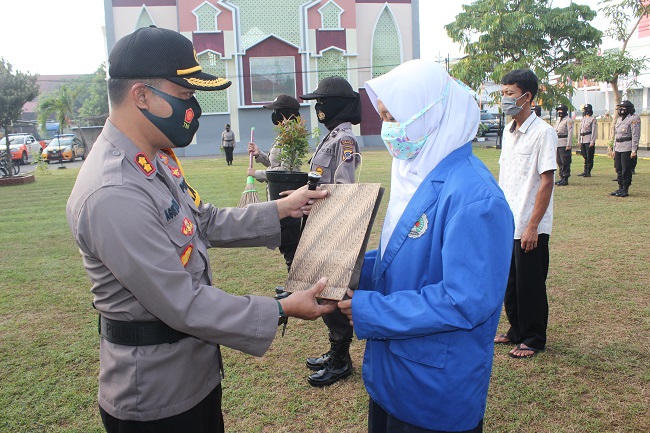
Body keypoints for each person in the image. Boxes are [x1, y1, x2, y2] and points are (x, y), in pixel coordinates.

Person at [65, 26, 335, 433]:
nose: (194, 110)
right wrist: (281, 308)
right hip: (156, 397)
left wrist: (282, 207)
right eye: (187, 96)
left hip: (193, 373)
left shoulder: (152, 159)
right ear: (142, 96)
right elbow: (182, 302)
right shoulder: (114, 191)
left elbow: (201, 221)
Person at [338, 59, 515, 433]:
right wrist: (347, 269)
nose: (389, 130)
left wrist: (369, 309)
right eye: (384, 117)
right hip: (394, 372)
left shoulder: (475, 197)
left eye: (395, 117)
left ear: (430, 115)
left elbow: (464, 299)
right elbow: (401, 254)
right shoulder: (414, 171)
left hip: (435, 386)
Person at [298, 76, 362, 387]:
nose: (318, 108)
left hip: (333, 225)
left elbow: (344, 188)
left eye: (321, 103)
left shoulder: (345, 141)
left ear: (335, 105)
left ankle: (341, 361)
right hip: (321, 221)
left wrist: (318, 200)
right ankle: (335, 350)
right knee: (324, 290)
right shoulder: (333, 137)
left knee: (333, 293)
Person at [493, 68, 557, 359]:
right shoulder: (509, 132)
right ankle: (516, 330)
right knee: (510, 283)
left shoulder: (543, 133)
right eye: (502, 93)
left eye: (509, 94)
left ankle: (533, 338)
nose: (504, 100)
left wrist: (533, 226)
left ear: (527, 96)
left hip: (530, 224)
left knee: (530, 284)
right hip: (507, 222)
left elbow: (546, 182)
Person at [247, 94, 303, 272]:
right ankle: (292, 283)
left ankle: (296, 287)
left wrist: (257, 174)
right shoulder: (284, 136)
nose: (274, 116)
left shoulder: (291, 139)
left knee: (290, 244)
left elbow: (285, 171)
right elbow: (274, 165)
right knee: (286, 244)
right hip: (277, 193)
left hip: (287, 194)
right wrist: (259, 154)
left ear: (286, 114)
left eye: (277, 112)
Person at [611, 100, 640, 197]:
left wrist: (633, 150)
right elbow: (616, 135)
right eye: (620, 108)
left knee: (626, 169)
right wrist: (614, 149)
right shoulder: (619, 119)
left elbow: (635, 135)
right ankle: (620, 187)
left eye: (622, 108)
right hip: (618, 147)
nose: (620, 110)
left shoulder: (633, 119)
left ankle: (625, 188)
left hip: (627, 147)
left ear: (628, 109)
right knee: (618, 168)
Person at [554, 104, 573, 186]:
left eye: (560, 110)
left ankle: (565, 178)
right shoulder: (558, 120)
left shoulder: (568, 120)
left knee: (565, 161)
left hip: (564, 143)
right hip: (558, 142)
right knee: (559, 161)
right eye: (558, 110)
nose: (559, 112)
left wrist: (568, 144)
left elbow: (570, 133)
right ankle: (561, 177)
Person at [578, 104, 597, 177]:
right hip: (583, 139)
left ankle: (588, 171)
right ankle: (585, 170)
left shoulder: (593, 119)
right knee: (584, 155)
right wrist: (579, 140)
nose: (584, 111)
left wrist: (592, 141)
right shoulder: (583, 119)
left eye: (585, 109)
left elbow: (594, 131)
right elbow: (580, 130)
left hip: (588, 139)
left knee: (589, 156)